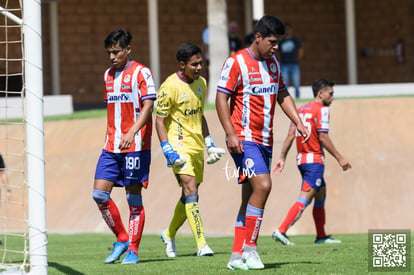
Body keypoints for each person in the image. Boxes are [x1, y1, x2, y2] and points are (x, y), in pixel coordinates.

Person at [215, 15, 310, 270]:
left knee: (249, 197)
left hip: (265, 140)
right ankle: (251, 249)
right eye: (272, 42)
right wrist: (230, 133)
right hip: (243, 139)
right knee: (264, 185)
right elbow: (220, 99)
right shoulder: (236, 62)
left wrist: (299, 121)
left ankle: (235, 257)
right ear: (258, 38)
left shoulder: (273, 64)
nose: (276, 47)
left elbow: (282, 94)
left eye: (278, 42)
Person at [92, 28, 157, 265]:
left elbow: (149, 105)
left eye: (116, 52)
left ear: (128, 49)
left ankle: (133, 249)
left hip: (136, 146)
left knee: (133, 199)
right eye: (109, 52)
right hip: (111, 146)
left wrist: (132, 131)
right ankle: (121, 237)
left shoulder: (142, 72)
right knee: (99, 194)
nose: (112, 57)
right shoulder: (108, 75)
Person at [156, 42, 225, 258]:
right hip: (178, 147)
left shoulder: (201, 83)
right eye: (194, 64)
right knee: (191, 190)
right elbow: (159, 121)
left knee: (189, 195)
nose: (199, 68)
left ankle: (168, 233)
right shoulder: (169, 86)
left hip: (196, 148)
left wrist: (210, 143)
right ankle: (202, 244)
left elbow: (200, 115)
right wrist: (167, 149)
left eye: (200, 63)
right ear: (182, 65)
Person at [271, 78, 351, 245]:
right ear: (320, 93)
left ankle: (321, 236)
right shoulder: (321, 110)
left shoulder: (300, 110)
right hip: (314, 160)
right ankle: (281, 230)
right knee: (305, 198)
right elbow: (323, 136)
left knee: (320, 193)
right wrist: (340, 157)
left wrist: (282, 158)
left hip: (302, 160)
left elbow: (291, 135)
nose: (333, 97)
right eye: (331, 93)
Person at [279, 23, 304, 98]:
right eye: (286, 30)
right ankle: (285, 99)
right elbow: (278, 52)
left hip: (294, 65)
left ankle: (297, 99)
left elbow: (300, 52)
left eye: (288, 29)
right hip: (284, 65)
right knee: (285, 85)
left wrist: (296, 60)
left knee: (296, 84)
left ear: (291, 30)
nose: (287, 31)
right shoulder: (281, 41)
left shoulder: (295, 40)